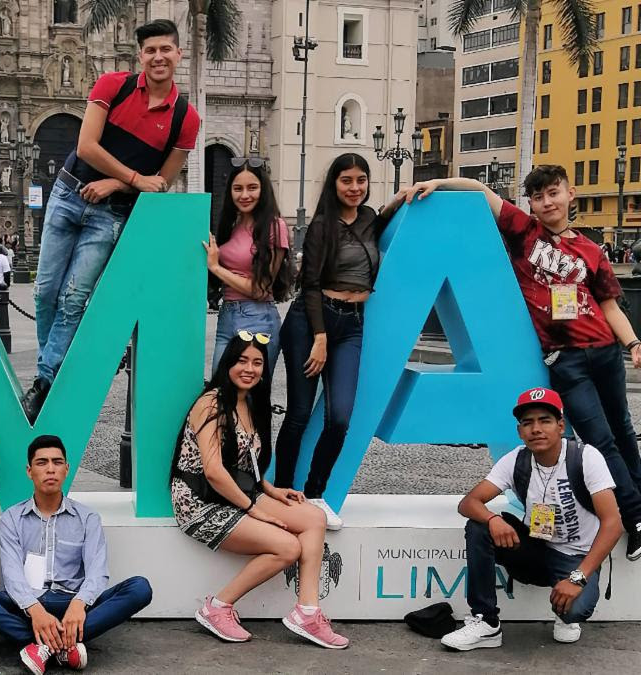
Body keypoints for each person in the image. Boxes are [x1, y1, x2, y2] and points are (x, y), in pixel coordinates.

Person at [405, 167, 641, 561]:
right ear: (530, 203)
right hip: (565, 359)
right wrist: (439, 183)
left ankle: (637, 506)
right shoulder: (525, 232)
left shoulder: (592, 250)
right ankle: (634, 518)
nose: (547, 202)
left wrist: (632, 342)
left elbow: (608, 306)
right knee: (600, 441)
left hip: (604, 351)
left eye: (553, 193)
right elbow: (480, 190)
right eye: (538, 197)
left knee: (623, 432)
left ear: (570, 194)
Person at [22, 18, 201, 422]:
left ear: (178, 53)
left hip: (112, 213)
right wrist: (133, 178)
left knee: (73, 298)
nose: (158, 57)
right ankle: (48, 379)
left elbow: (162, 182)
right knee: (45, 292)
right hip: (68, 194)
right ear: (140, 56)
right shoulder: (112, 86)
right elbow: (86, 146)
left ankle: (43, 383)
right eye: (150, 50)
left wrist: (115, 184)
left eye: (165, 49)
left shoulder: (185, 118)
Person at [172, 332, 348, 649]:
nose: (249, 369)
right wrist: (255, 510)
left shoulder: (252, 403)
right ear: (228, 363)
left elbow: (245, 462)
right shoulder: (211, 403)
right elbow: (214, 472)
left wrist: (272, 490)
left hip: (237, 494)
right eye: (242, 361)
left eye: (257, 363)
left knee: (314, 518)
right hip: (201, 502)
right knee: (288, 547)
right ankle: (217, 607)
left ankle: (307, 612)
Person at [0, 434, 153, 674]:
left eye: (57, 462)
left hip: (73, 604)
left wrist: (79, 604)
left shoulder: (87, 518)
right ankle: (64, 644)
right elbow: (12, 574)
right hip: (26, 605)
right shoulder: (12, 518)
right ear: (29, 471)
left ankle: (41, 645)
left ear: (66, 469)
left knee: (139, 588)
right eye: (42, 463)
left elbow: (97, 571)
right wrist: (34, 610)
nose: (50, 469)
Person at [274, 153, 404, 530]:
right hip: (311, 321)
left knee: (340, 418)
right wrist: (319, 337)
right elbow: (310, 284)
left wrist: (401, 197)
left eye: (361, 180)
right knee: (299, 414)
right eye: (346, 180)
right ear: (334, 183)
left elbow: (384, 217)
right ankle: (282, 494)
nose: (354, 187)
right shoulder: (321, 226)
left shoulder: (369, 219)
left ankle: (315, 495)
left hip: (352, 324)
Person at [440, 388, 622, 650]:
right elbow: (468, 503)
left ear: (561, 426)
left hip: (576, 558)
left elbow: (613, 523)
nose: (536, 429)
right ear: (519, 431)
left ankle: (565, 615)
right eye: (528, 423)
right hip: (535, 548)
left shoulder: (585, 457)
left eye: (545, 421)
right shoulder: (517, 459)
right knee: (478, 526)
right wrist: (493, 519)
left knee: (575, 610)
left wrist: (578, 578)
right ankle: (486, 623)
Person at [203, 158, 292, 454]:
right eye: (238, 188)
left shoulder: (275, 227)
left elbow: (261, 288)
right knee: (219, 394)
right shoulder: (230, 224)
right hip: (227, 316)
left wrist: (217, 268)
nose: (245, 195)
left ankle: (255, 467)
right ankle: (224, 463)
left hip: (257, 319)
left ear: (263, 189)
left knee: (251, 398)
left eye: (252, 187)